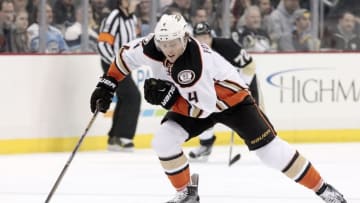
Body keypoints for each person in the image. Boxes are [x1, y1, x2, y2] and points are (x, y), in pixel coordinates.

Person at [90, 14, 347, 203]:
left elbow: (204, 110)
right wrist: (107, 83)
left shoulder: (194, 64)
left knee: (271, 154)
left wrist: (169, 99)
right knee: (164, 141)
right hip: (195, 100)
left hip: (232, 103)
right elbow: (124, 56)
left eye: (174, 43)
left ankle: (324, 190)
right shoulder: (151, 46)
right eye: (164, 43)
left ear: (185, 39)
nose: (168, 49)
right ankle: (187, 194)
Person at [188, 21, 264, 160]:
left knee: (252, 118)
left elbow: (250, 66)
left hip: (244, 82)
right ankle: (205, 145)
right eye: (198, 38)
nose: (202, 41)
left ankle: (264, 146)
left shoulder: (227, 46)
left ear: (211, 36)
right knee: (203, 111)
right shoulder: (192, 53)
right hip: (218, 87)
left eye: (205, 37)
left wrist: (242, 87)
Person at [97, 0, 141, 152]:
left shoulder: (133, 18)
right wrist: (114, 64)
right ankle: (124, 137)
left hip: (123, 66)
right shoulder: (113, 17)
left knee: (125, 98)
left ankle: (114, 138)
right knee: (133, 96)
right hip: (113, 64)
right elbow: (103, 44)